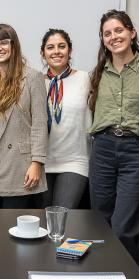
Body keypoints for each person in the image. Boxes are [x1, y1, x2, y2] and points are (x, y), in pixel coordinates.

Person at [88, 9, 139, 251]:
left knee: (124, 225)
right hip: (103, 148)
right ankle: (103, 275)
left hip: (136, 151)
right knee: (100, 219)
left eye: (118, 30)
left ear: (132, 33)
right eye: (107, 33)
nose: (113, 36)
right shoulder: (98, 72)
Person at [0, 24, 48, 207]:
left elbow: (39, 124)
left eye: (4, 42)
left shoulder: (32, 77)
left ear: (14, 45)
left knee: (15, 229)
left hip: (20, 165)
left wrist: (37, 162)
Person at [40, 29, 91, 209]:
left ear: (70, 50)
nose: (56, 51)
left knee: (62, 218)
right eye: (50, 47)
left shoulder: (86, 79)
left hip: (74, 161)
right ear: (43, 53)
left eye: (62, 46)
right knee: (44, 224)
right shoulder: (35, 82)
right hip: (41, 164)